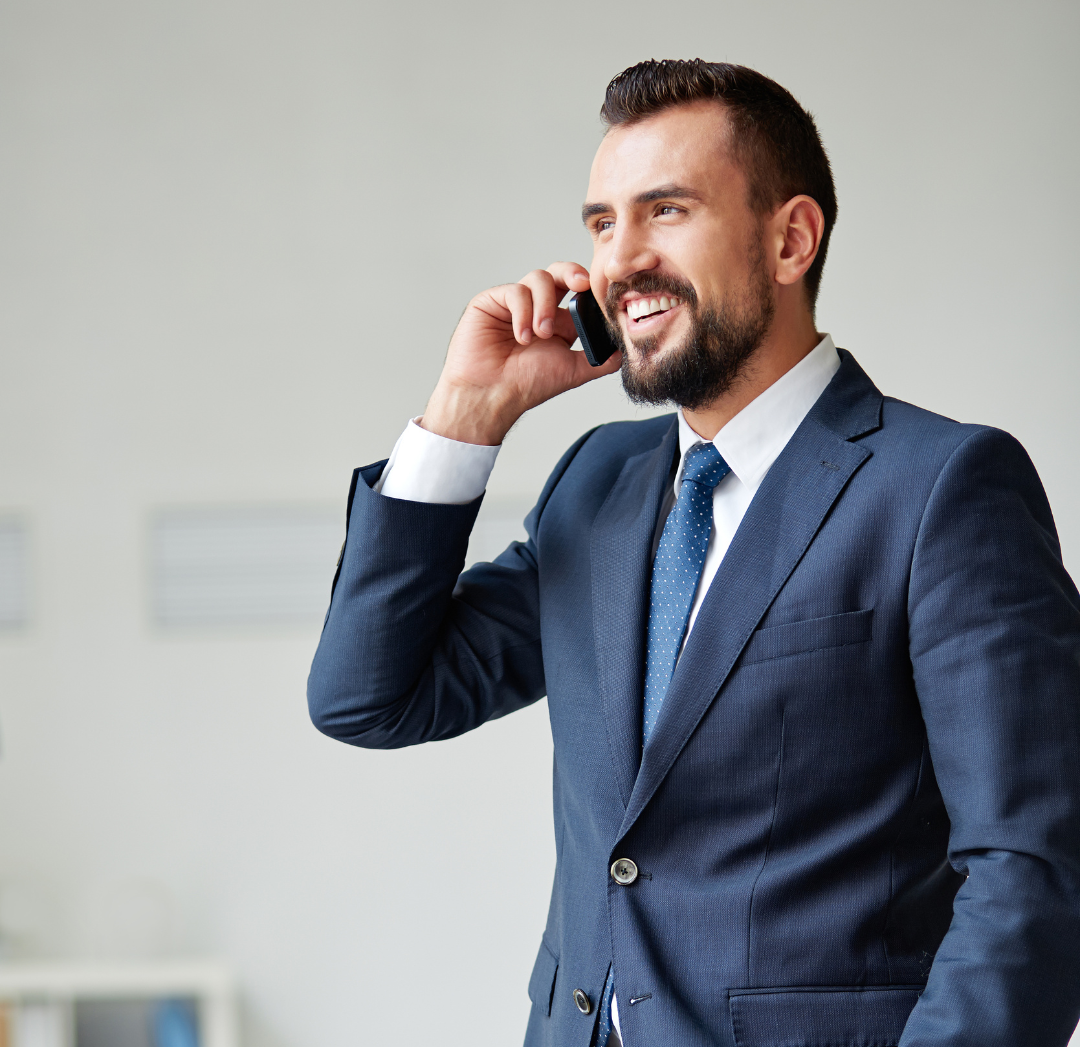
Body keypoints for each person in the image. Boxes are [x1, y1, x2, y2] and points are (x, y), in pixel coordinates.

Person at [307, 60, 1080, 1047]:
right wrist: (466, 417)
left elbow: (1031, 871)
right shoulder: (597, 482)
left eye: (664, 211)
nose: (619, 260)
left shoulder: (943, 488)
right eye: (600, 223)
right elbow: (369, 697)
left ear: (791, 239)